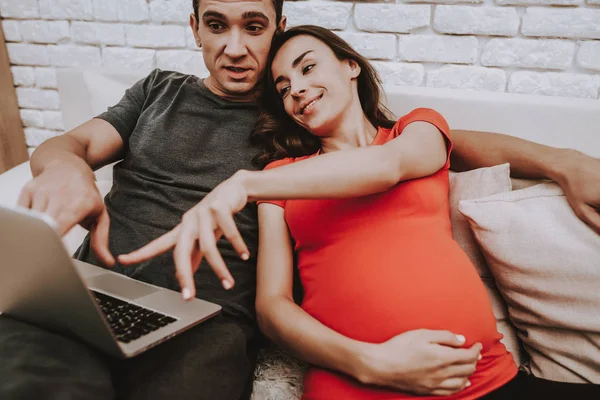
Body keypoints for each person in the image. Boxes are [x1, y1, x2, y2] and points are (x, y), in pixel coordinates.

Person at [1, 0, 598, 397]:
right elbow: (73, 143)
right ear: (195, 28)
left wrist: (564, 161)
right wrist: (65, 166)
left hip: (206, 323)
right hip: (94, 292)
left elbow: (419, 150)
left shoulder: (315, 138)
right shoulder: (175, 99)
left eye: (255, 28)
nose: (235, 48)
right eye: (216, 25)